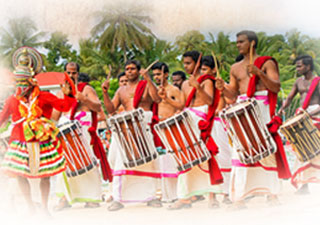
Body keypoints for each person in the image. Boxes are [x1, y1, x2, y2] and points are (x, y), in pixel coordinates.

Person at [216, 30, 291, 209]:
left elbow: (275, 86)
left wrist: (260, 73)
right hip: (242, 111)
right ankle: (239, 199)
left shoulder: (267, 63)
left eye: (241, 42)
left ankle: (273, 195)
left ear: (252, 43)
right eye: (237, 42)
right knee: (240, 151)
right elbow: (233, 94)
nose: (238, 45)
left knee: (266, 149)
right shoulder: (235, 68)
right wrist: (222, 88)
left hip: (261, 109)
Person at [0, 47, 76, 215]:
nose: (20, 87)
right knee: (20, 175)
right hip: (19, 142)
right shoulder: (12, 100)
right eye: (17, 83)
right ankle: (30, 206)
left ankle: (44, 206)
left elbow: (64, 107)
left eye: (23, 83)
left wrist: (68, 95)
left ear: (31, 82)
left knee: (46, 175)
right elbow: (2, 119)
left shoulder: (43, 97)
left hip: (42, 141)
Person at [102, 59, 162, 211]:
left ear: (139, 70)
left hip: (143, 126)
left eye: (133, 69)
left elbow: (157, 99)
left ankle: (151, 196)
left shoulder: (145, 85)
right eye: (127, 69)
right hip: (126, 130)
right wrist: (105, 93)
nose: (129, 71)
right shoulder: (121, 90)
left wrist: (148, 78)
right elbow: (110, 110)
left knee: (148, 162)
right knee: (121, 163)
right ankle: (118, 198)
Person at [168, 51, 223, 210]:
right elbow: (184, 105)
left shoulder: (207, 81)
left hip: (202, 121)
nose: (185, 66)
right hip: (188, 120)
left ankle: (213, 197)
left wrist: (198, 86)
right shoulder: (185, 84)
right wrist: (167, 100)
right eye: (184, 63)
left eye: (188, 63)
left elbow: (210, 101)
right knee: (185, 158)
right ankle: (185, 197)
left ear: (197, 64)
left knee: (207, 156)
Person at [53, 63, 112, 210]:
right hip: (65, 133)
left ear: (78, 74)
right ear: (65, 73)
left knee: (88, 163)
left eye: (74, 73)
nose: (71, 75)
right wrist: (63, 100)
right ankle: (64, 198)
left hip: (84, 132)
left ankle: (92, 198)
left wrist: (83, 99)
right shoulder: (61, 92)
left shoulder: (86, 89)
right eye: (69, 72)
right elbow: (55, 116)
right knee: (63, 166)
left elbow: (98, 108)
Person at [278, 55, 320, 194]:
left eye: (300, 66)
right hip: (302, 116)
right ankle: (304, 186)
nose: (297, 69)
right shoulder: (298, 82)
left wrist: (311, 113)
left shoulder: (317, 82)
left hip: (315, 116)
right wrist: (282, 109)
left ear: (308, 67)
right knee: (301, 151)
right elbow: (289, 98)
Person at [200, 56, 233, 207]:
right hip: (207, 125)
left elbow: (230, 100)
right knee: (209, 159)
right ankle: (211, 197)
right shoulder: (201, 86)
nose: (203, 73)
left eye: (205, 69)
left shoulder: (221, 84)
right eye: (201, 70)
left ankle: (227, 193)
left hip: (219, 124)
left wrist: (219, 108)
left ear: (214, 70)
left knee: (224, 157)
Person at [152, 62, 184, 202]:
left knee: (173, 162)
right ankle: (166, 195)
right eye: (154, 75)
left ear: (166, 74)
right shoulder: (154, 90)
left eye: (159, 74)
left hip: (171, 127)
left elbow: (181, 106)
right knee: (162, 162)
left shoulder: (173, 90)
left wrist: (166, 99)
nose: (156, 77)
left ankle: (177, 194)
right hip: (158, 128)